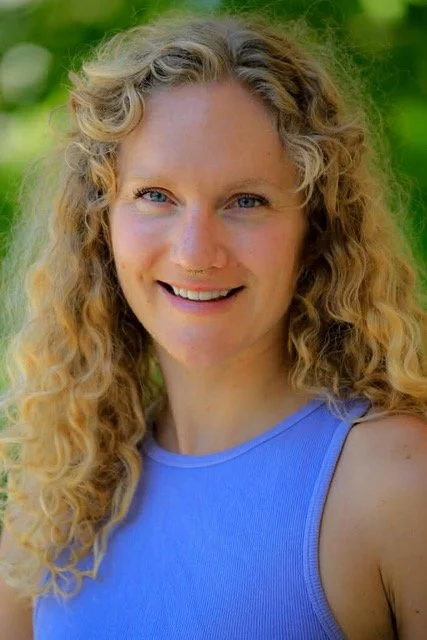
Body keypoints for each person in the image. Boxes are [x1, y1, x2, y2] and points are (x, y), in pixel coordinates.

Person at [0, 9, 427, 640]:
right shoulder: (59, 497)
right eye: (156, 196)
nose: (196, 252)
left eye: (246, 200)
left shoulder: (397, 482)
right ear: (101, 223)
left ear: (315, 229)